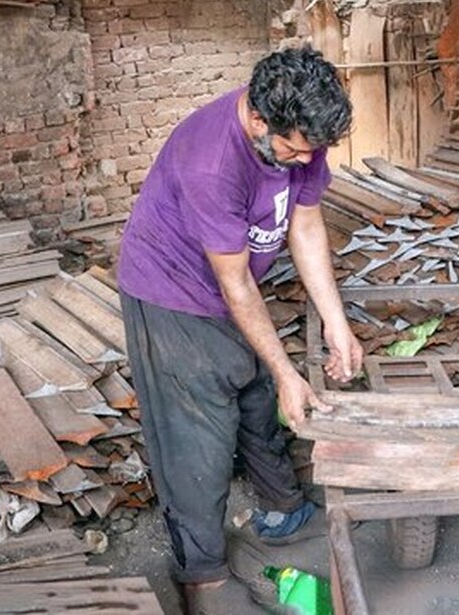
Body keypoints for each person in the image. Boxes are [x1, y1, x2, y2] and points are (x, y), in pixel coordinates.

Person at [116, 47, 362, 614]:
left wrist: (336, 321)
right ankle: (202, 577)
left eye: (313, 150)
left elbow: (305, 225)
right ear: (257, 118)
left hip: (229, 286)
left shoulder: (303, 133)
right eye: (294, 150)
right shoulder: (212, 160)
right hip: (170, 291)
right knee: (196, 436)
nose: (305, 160)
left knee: (255, 393)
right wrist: (288, 372)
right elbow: (236, 285)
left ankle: (283, 512)